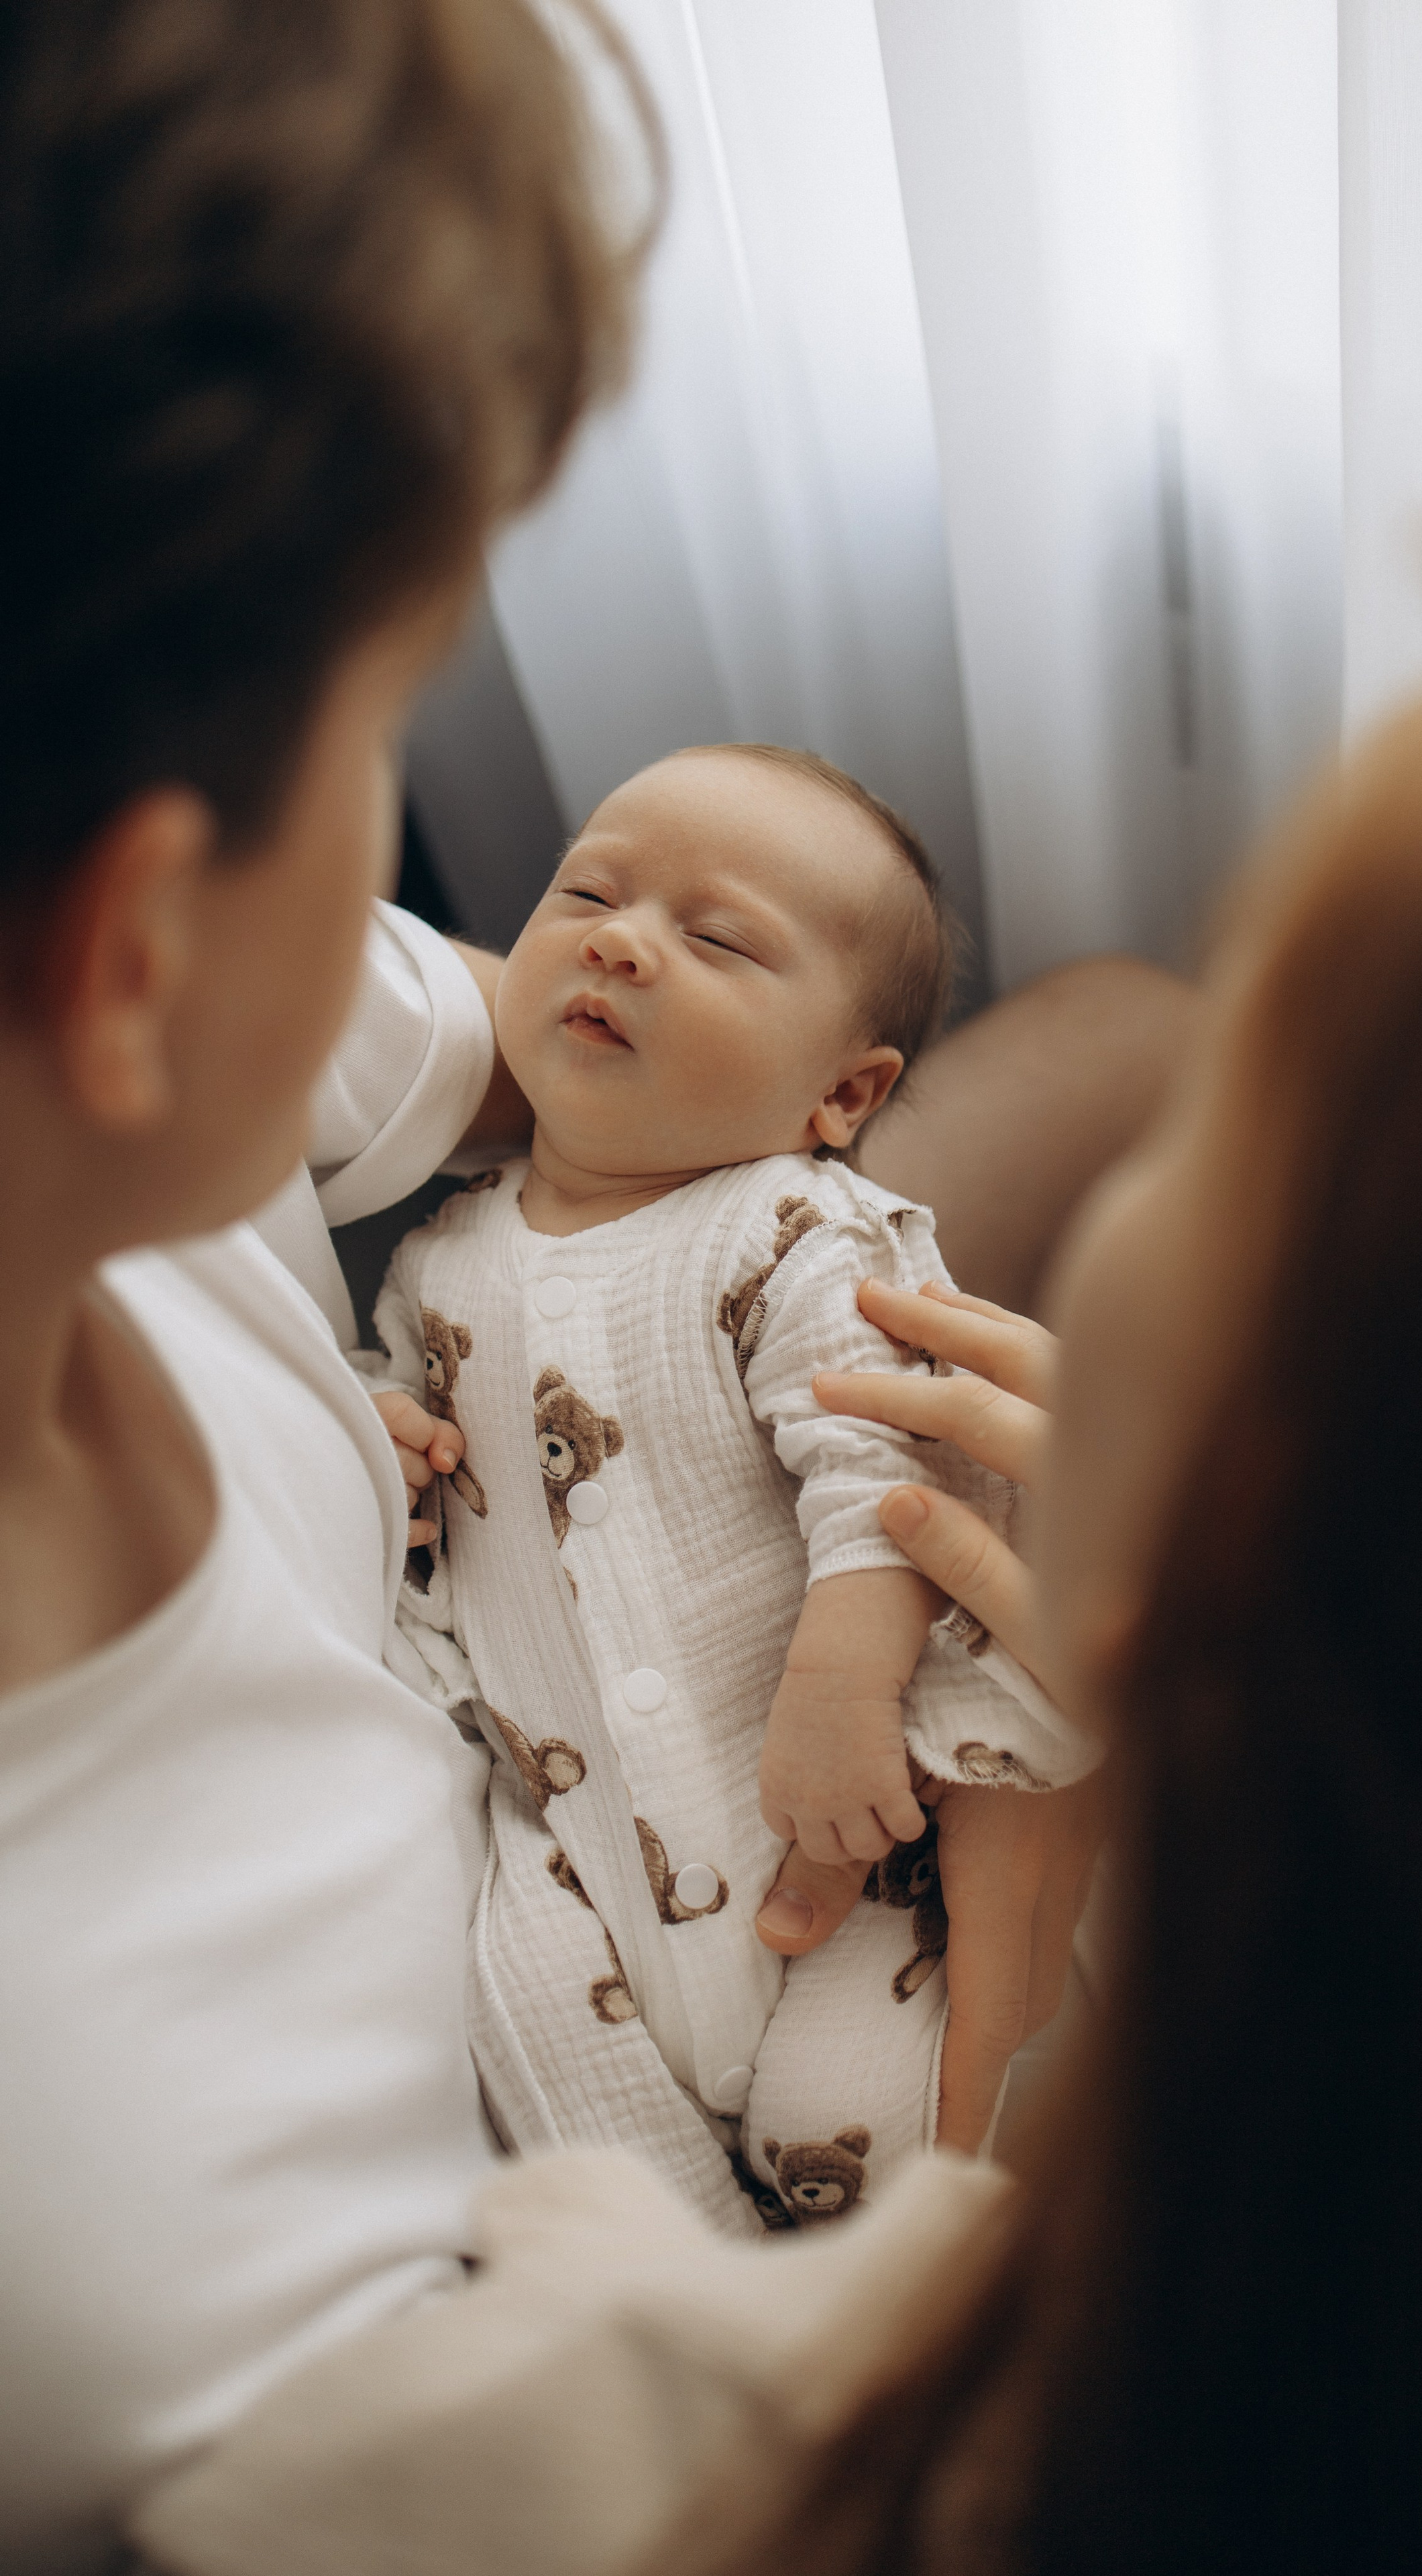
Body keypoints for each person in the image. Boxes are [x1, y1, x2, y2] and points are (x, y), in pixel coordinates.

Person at [134, 485, 1422, 2576]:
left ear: (1269, 1451)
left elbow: (261, 2496)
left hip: (754, 1978)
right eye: (592, 890)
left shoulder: (701, 2403)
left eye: (1235, 1122)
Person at [0, 3, 1162, 2563]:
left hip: (711, 1602)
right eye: (382, 741)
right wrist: (1110, 1776)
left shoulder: (158, 1047)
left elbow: (646, 1138)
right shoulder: (153, 2283)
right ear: (138, 953)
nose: (521, 936)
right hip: (586, 1970)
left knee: (1130, 1031)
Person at [362, 742, 1095, 2235]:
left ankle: (877, 2285)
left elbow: (888, 1465)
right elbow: (405, 1433)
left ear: (844, 1092)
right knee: (540, 2060)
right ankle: (699, 2293)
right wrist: (381, 1431)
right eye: (587, 893)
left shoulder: (799, 1232)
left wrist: (846, 1677)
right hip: (567, 1862)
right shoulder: (439, 1259)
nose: (620, 942)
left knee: (884, 2123)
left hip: (840, 1843)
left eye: (716, 939)